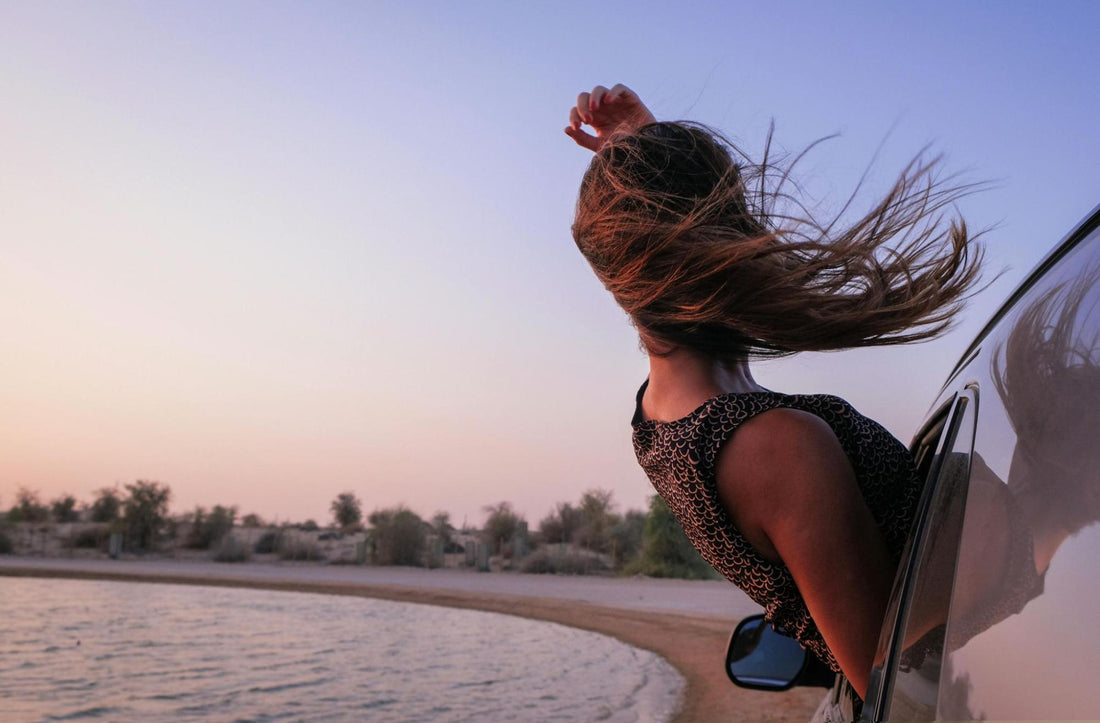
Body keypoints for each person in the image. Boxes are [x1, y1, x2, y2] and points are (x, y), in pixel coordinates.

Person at [564, 84, 985, 712]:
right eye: (736, 215)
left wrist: (641, 153)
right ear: (721, 235)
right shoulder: (775, 446)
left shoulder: (660, 422)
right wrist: (1029, 538)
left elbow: (677, 259)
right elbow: (896, 690)